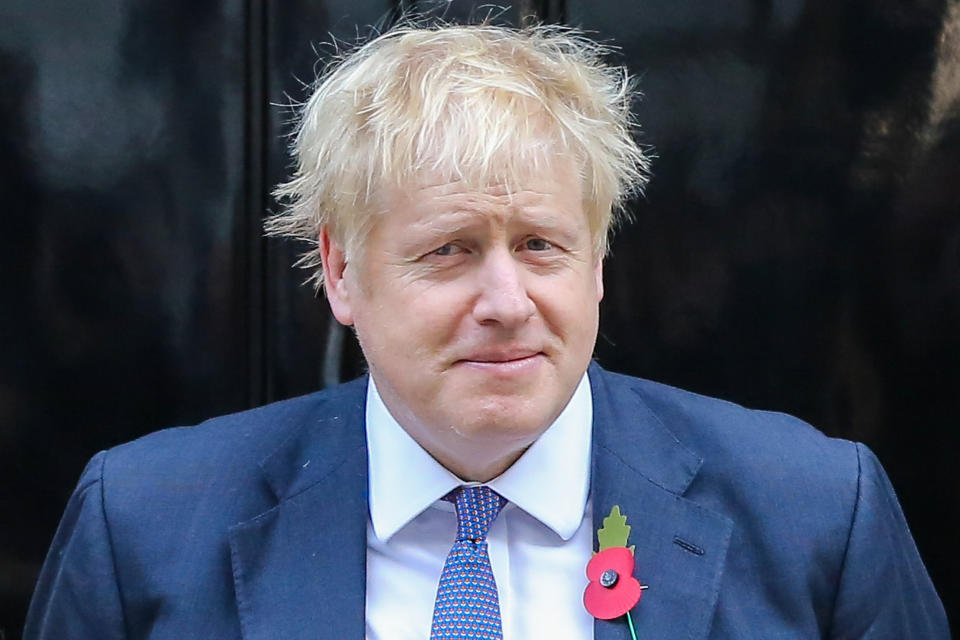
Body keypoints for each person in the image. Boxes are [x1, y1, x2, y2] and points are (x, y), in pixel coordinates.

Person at [25, 22, 948, 640]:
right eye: (450, 251)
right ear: (342, 271)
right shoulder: (142, 526)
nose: (506, 300)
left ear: (596, 266)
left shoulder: (817, 514)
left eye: (542, 245)